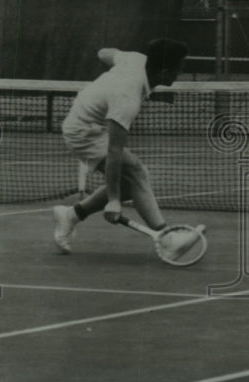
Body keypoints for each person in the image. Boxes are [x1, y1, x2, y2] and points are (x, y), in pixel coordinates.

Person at [52, 38, 190, 253]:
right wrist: (114, 200)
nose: (179, 74)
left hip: (94, 121)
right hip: (83, 131)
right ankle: (167, 238)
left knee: (130, 184)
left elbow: (103, 52)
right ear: (163, 72)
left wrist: (111, 77)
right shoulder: (127, 96)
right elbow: (114, 151)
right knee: (136, 173)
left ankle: (71, 215)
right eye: (178, 70)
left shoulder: (135, 60)